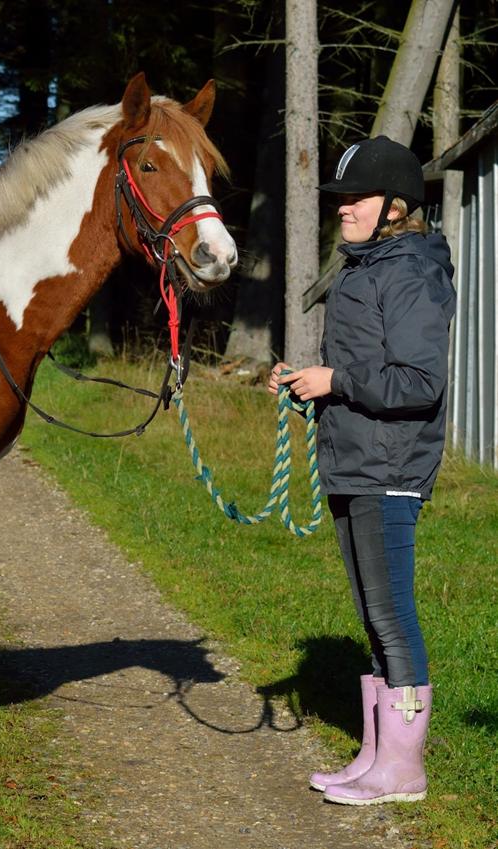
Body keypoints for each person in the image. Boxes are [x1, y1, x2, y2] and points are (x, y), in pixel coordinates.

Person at [267, 136, 456, 806]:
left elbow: (420, 381)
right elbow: (361, 374)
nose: (342, 209)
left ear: (397, 207)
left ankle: (404, 771)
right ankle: (377, 755)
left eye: (356, 198)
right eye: (341, 198)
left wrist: (335, 378)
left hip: (389, 465)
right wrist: (306, 384)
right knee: (373, 616)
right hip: (353, 460)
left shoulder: (407, 273)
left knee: (391, 613)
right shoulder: (368, 267)